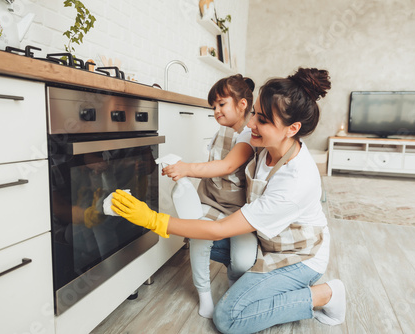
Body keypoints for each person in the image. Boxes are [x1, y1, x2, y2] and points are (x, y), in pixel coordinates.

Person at [111, 67, 346, 333]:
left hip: (298, 255)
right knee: (194, 236)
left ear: (292, 129)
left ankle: (326, 294)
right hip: (267, 241)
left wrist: (153, 220)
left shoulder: (296, 180)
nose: (250, 124)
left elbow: (219, 229)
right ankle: (264, 285)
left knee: (228, 319)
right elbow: (225, 165)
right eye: (255, 113)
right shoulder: (258, 139)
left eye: (263, 119)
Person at [162, 74, 258, 318]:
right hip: (211, 201)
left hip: (240, 210)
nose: (216, 111)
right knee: (199, 237)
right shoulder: (224, 129)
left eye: (221, 104)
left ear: (242, 104)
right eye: (213, 106)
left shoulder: (250, 134)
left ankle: (234, 282)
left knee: (244, 260)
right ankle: (204, 293)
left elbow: (226, 166)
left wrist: (187, 168)